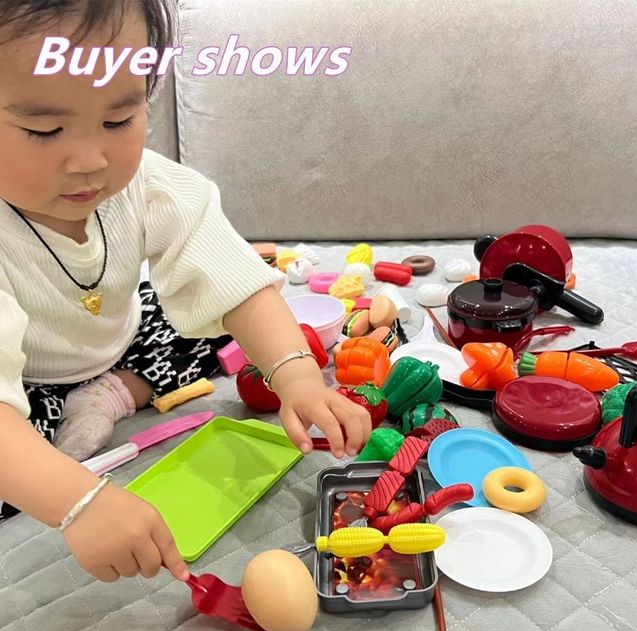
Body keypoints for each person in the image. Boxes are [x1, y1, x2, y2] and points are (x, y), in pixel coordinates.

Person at [0, 0, 371, 584]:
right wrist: (79, 501)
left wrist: (297, 376)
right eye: (44, 130)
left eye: (119, 120)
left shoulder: (152, 187)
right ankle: (105, 399)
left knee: (216, 329)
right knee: (18, 477)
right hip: (22, 384)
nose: (90, 160)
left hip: (125, 335)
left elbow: (236, 285)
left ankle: (114, 392)